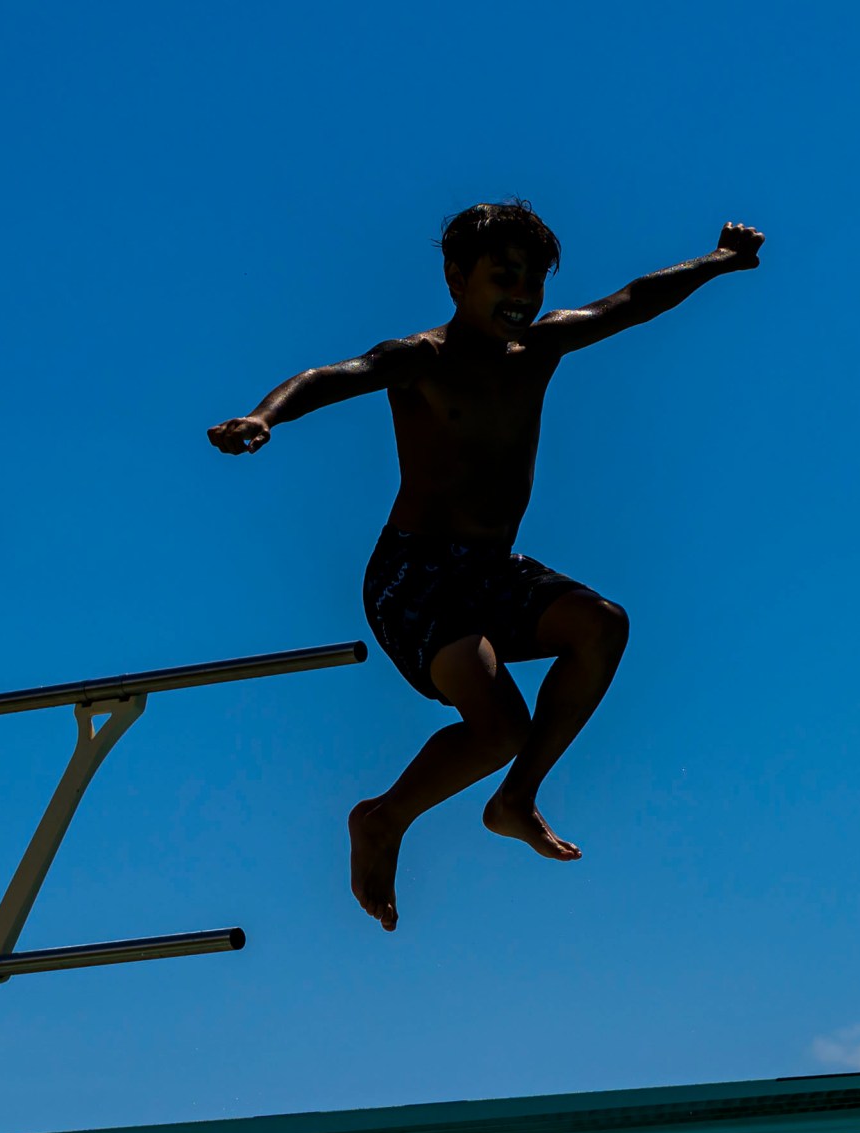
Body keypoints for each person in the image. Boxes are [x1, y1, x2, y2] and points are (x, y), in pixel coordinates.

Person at [208, 200, 764, 931]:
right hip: (415, 578)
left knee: (601, 625)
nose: (522, 297)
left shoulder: (542, 346)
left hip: (493, 568)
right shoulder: (422, 358)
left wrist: (720, 262)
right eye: (504, 278)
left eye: (532, 282)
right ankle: (382, 818)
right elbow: (329, 377)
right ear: (455, 278)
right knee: (498, 725)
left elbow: (633, 300)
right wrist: (264, 416)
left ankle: (516, 799)